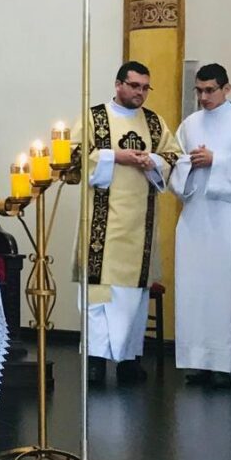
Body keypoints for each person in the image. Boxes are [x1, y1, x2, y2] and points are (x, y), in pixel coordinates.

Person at [77, 60, 181, 385]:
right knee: (100, 296)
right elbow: (77, 155)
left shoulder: (153, 122)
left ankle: (128, 362)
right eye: (134, 86)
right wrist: (114, 156)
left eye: (145, 87)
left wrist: (155, 161)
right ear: (119, 84)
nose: (140, 93)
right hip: (102, 228)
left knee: (133, 301)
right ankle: (95, 362)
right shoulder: (95, 117)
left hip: (140, 227)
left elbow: (175, 155)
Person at [171, 64, 231, 389]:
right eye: (199, 90)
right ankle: (201, 361)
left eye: (210, 90)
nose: (204, 97)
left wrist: (217, 160)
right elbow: (176, 164)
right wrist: (188, 167)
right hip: (197, 220)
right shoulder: (190, 124)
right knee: (198, 291)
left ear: (227, 89)